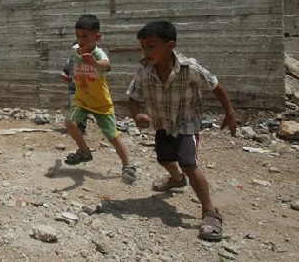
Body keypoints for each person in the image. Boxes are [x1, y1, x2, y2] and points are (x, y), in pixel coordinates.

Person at [126, 20, 237, 241]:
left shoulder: (190, 69)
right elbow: (132, 97)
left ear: (170, 46)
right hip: (162, 124)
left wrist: (230, 113)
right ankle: (176, 179)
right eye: (142, 46)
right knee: (164, 159)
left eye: (151, 46)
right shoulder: (144, 72)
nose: (145, 51)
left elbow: (215, 85)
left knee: (188, 163)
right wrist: (137, 114)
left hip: (187, 124)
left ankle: (210, 212)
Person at [64, 14, 136, 184]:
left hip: (101, 103)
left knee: (112, 136)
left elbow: (107, 64)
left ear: (97, 37)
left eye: (84, 36)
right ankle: (84, 152)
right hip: (81, 100)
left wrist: (94, 63)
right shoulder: (75, 50)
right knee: (70, 123)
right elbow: (72, 63)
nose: (80, 39)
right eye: (78, 35)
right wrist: (68, 76)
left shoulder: (97, 53)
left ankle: (128, 165)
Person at [61, 42, 86, 134]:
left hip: (84, 89)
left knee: (82, 109)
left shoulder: (87, 60)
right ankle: (73, 129)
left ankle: (81, 129)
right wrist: (64, 76)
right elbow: (64, 71)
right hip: (73, 88)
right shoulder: (71, 60)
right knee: (72, 107)